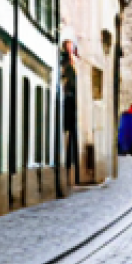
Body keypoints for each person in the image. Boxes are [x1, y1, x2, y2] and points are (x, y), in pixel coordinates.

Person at [61, 40, 80, 184]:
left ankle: (72, 170)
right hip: (67, 104)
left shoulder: (74, 63)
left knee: (72, 138)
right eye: (69, 46)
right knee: (68, 136)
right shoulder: (65, 63)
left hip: (72, 105)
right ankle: (68, 170)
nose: (70, 49)